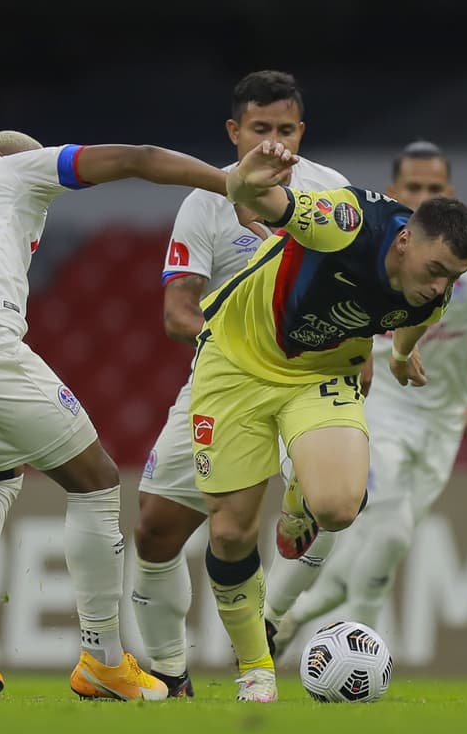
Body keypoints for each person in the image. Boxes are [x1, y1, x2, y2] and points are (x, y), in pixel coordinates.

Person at [0, 130, 242, 702]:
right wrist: (229, 185)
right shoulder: (13, 169)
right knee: (96, 482)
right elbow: (138, 158)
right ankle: (102, 658)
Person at [194, 139, 467, 701]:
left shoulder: (433, 292)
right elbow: (266, 201)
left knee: (338, 508)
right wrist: (251, 179)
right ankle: (255, 666)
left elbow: (419, 316)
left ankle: (301, 497)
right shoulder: (345, 221)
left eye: (453, 277)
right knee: (230, 533)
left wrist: (399, 355)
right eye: (436, 270)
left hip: (319, 373)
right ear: (404, 240)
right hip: (235, 362)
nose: (440, 286)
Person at [131, 71, 348, 697]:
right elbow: (177, 311)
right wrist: (231, 346)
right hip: (226, 378)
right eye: (261, 130)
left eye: (285, 130)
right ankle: (172, 674)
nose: (274, 144)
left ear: (301, 132)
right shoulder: (205, 201)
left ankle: (258, 655)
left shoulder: (331, 193)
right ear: (234, 133)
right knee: (155, 528)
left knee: (276, 514)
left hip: (308, 378)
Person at [264, 141, 467, 647]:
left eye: (434, 187)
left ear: (449, 193)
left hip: (441, 420)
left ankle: (292, 621)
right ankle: (349, 647)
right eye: (414, 188)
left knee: (380, 548)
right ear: (396, 194)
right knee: (390, 532)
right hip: (378, 401)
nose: (424, 193)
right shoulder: (380, 240)